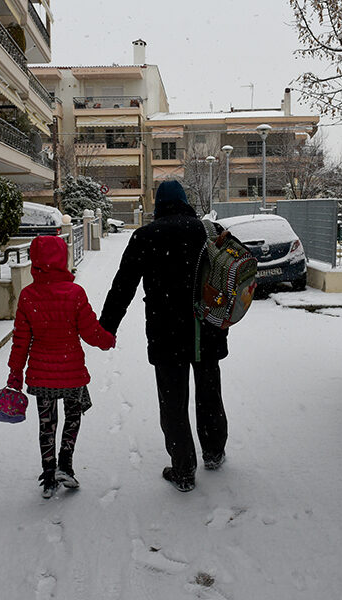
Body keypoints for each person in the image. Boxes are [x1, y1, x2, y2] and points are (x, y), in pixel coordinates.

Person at [100, 180, 229, 492]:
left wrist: (107, 326)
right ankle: (213, 452)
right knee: (209, 392)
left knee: (173, 402)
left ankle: (184, 470)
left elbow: (124, 285)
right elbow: (232, 272)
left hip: (166, 330)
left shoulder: (146, 236)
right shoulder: (209, 231)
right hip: (206, 328)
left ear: (158, 205)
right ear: (185, 201)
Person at [7, 235, 115, 499]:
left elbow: (21, 340)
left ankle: (48, 475)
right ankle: (65, 464)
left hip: (41, 374)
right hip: (72, 372)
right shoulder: (74, 293)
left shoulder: (28, 296)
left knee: (47, 424)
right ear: (62, 259)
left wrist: (15, 374)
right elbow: (90, 332)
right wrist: (107, 340)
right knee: (73, 417)